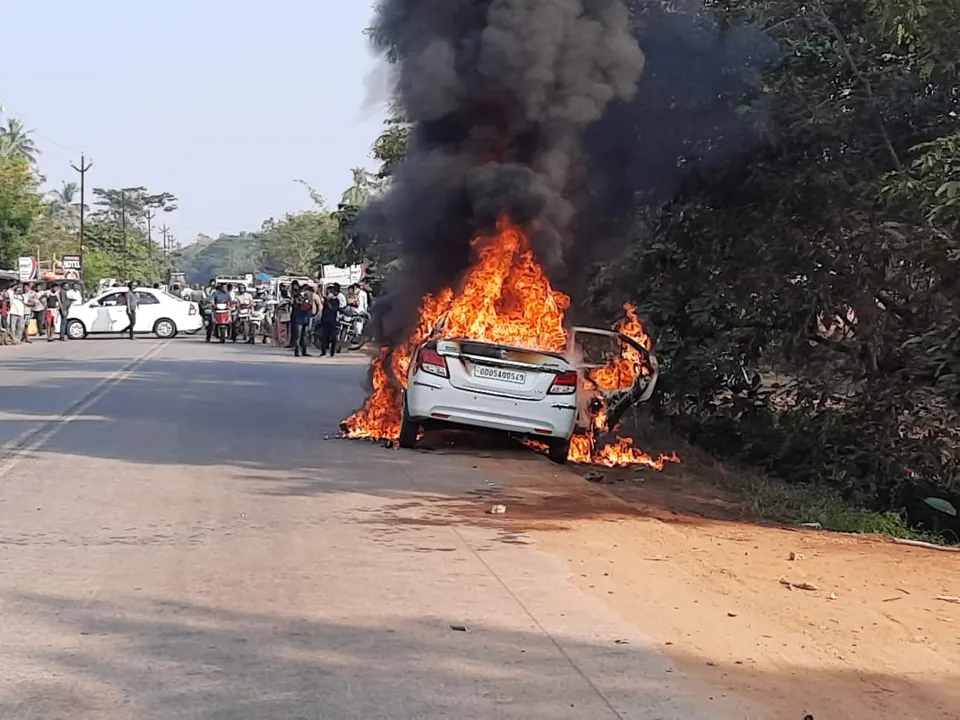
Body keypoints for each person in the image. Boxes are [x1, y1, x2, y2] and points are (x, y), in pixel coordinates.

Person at [289, 283, 316, 357]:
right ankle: (297, 351)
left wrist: (309, 299)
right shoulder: (297, 297)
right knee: (298, 335)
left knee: (305, 336)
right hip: (299, 318)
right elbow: (297, 305)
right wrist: (302, 298)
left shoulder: (309, 298)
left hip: (306, 318)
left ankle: (304, 351)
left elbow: (310, 307)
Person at [317, 284, 341, 357]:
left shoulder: (336, 301)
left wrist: (328, 301)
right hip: (325, 320)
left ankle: (332, 352)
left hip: (332, 320)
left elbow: (333, 309)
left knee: (333, 337)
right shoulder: (326, 300)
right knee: (324, 336)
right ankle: (323, 352)